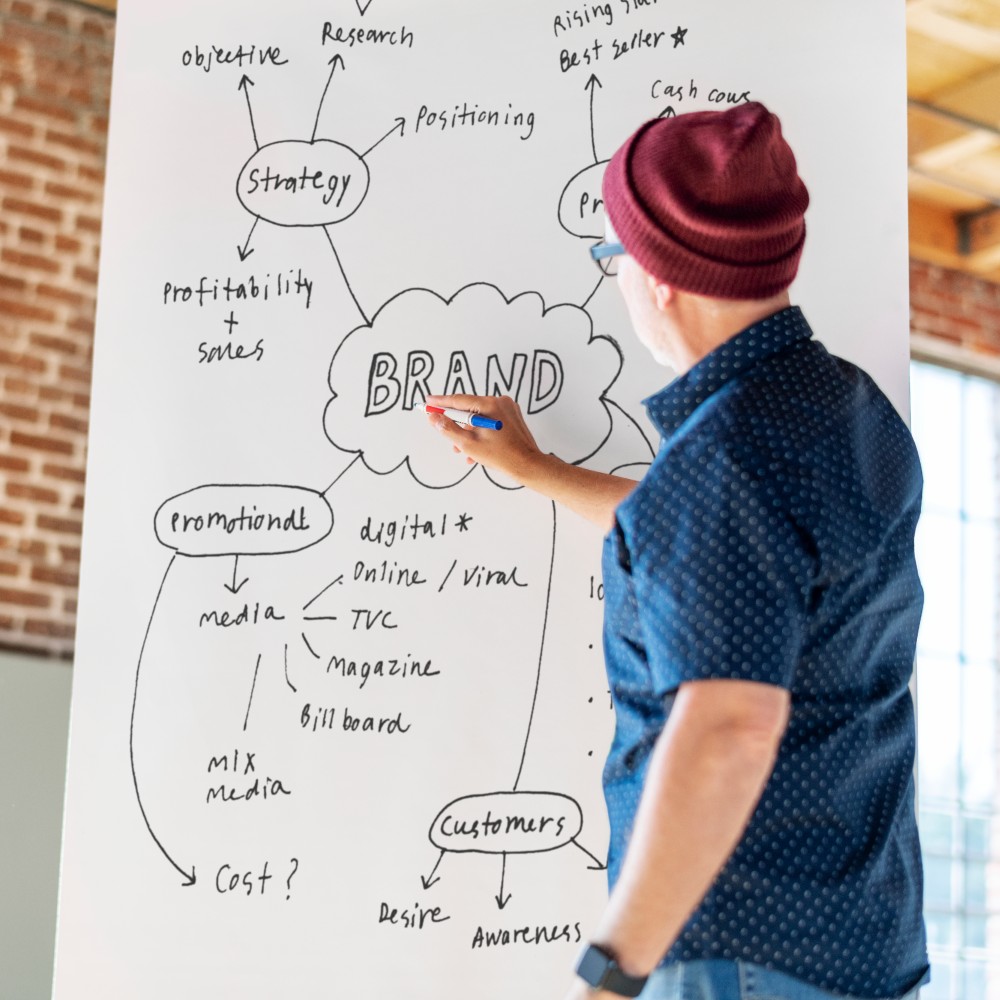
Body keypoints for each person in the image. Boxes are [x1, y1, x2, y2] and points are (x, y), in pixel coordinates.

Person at [425, 102, 929, 1000]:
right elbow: (732, 558)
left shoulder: (723, 460)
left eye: (612, 256)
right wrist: (540, 471)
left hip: (737, 952)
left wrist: (609, 978)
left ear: (659, 275)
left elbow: (730, 728)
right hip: (862, 944)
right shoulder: (849, 411)